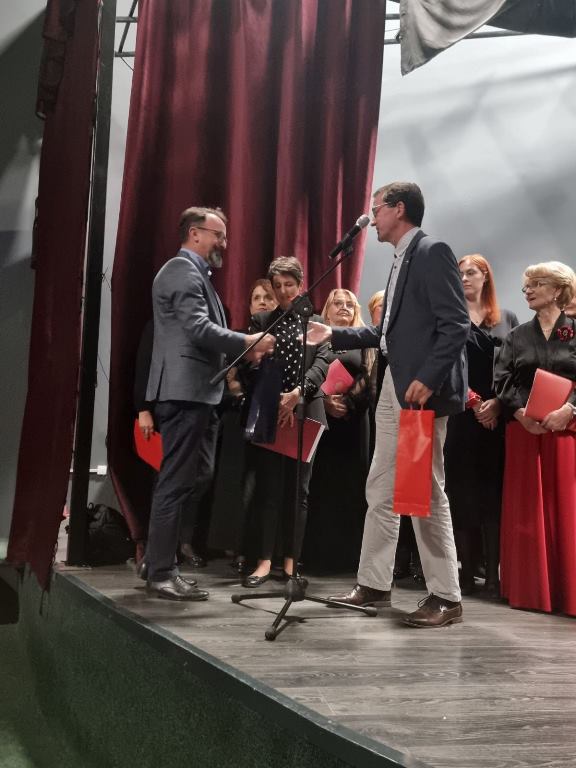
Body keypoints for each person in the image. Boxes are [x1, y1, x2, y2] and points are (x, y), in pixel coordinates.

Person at [305, 182, 470, 627]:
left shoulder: (432, 251)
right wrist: (334, 333)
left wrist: (428, 378)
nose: (371, 217)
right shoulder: (400, 258)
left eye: (376, 209)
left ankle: (446, 596)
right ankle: (374, 583)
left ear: (399, 209)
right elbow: (385, 333)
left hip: (420, 392)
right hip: (395, 387)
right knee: (380, 487)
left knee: (425, 490)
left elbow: (456, 325)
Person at [142, 206, 275, 600]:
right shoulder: (181, 271)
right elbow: (198, 329)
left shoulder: (196, 274)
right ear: (195, 233)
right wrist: (248, 342)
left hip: (200, 393)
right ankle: (161, 572)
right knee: (176, 482)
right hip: (184, 392)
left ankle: (155, 558)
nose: (224, 243)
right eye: (219, 235)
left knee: (196, 476)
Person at [242, 256, 331, 586]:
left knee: (299, 491)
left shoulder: (315, 322)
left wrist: (298, 393)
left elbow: (323, 363)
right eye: (277, 286)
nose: (282, 291)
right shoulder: (262, 321)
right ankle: (264, 562)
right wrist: (277, 396)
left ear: (301, 284)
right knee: (269, 488)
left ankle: (292, 563)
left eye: (289, 285)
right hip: (272, 410)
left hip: (306, 411)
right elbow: (251, 365)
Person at [494, 261, 576, 616]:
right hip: (525, 432)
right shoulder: (516, 336)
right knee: (526, 510)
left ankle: (569, 592)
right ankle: (530, 592)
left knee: (568, 510)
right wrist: (520, 415)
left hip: (567, 432)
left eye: (536, 284)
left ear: (557, 290)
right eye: (526, 285)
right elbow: (502, 381)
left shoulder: (575, 331)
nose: (527, 290)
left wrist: (570, 410)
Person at [444, 255, 518, 598]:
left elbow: (516, 369)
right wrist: (474, 403)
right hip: (461, 415)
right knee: (461, 492)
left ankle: (492, 574)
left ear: (485, 277)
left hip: (497, 417)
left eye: (471, 272)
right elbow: (445, 367)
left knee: (492, 492)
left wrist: (497, 404)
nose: (464, 278)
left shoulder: (507, 319)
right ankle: (465, 571)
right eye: (459, 273)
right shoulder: (449, 317)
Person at [207, 278, 278, 572]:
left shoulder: (283, 341)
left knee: (262, 488)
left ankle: (255, 550)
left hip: (271, 422)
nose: (262, 302)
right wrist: (236, 391)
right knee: (235, 488)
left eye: (267, 297)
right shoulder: (237, 341)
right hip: (237, 422)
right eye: (256, 298)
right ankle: (234, 547)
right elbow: (225, 384)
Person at [303, 289, 374, 572]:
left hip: (354, 423)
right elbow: (308, 372)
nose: (344, 308)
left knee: (352, 485)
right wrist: (324, 401)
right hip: (322, 420)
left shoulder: (365, 339)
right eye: (337, 303)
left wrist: (347, 402)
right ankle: (318, 557)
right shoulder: (317, 338)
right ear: (327, 310)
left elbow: (370, 376)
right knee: (321, 484)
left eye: (349, 304)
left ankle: (349, 558)